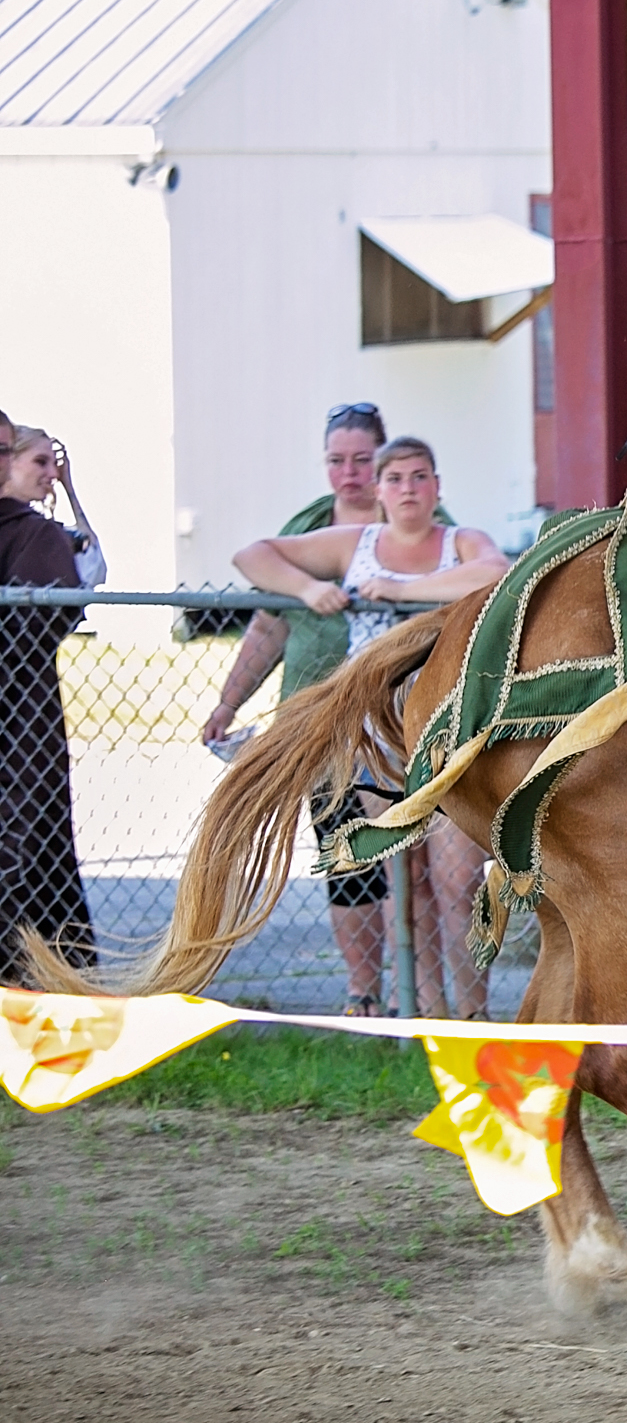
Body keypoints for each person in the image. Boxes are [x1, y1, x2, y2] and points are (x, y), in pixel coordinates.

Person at [233, 437, 508, 1018]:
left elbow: (494, 574)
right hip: (379, 740)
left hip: (449, 733)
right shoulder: (355, 544)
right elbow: (252, 556)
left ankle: (473, 1014)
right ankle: (425, 1012)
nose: (408, 489)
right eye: (396, 478)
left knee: (457, 880)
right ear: (379, 491)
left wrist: (402, 592)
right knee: (405, 878)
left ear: (437, 486)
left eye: (420, 476)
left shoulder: (459, 543)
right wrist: (310, 589)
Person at [203, 404, 398, 1016]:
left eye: (362, 460)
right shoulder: (309, 529)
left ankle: (420, 995)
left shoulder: (413, 519)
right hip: (319, 726)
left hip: (397, 725)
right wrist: (228, 702)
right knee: (345, 859)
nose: (349, 473)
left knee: (407, 863)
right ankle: (364, 993)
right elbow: (270, 624)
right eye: (337, 461)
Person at [0, 418, 95, 979]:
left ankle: (44, 983)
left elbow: (41, 625)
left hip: (22, 726)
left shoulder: (35, 535)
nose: (49, 473)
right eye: (34, 460)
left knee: (29, 852)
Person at [3, 428, 105, 588]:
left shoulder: (42, 530)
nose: (54, 474)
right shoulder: (38, 532)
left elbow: (93, 570)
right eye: (40, 462)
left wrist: (69, 489)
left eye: (55, 465)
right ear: (9, 461)